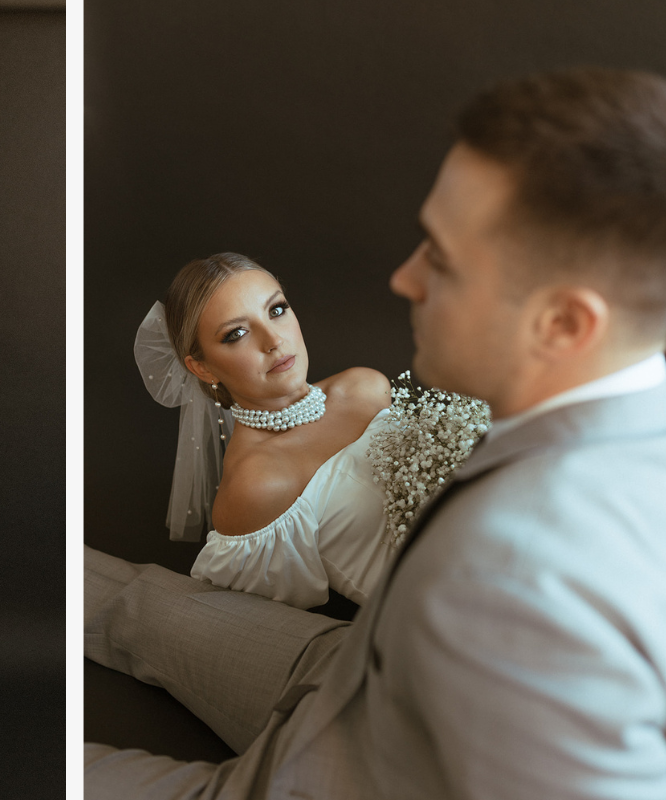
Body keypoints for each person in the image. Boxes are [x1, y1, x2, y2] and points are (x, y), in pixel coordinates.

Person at [86, 65, 666, 799]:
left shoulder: (513, 574)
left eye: (442, 260)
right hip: (363, 656)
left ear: (565, 323)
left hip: (345, 762)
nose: (402, 277)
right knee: (142, 604)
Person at [135, 253, 394, 608]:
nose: (273, 339)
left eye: (276, 310)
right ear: (203, 368)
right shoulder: (254, 486)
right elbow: (262, 629)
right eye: (236, 333)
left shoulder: (366, 387)